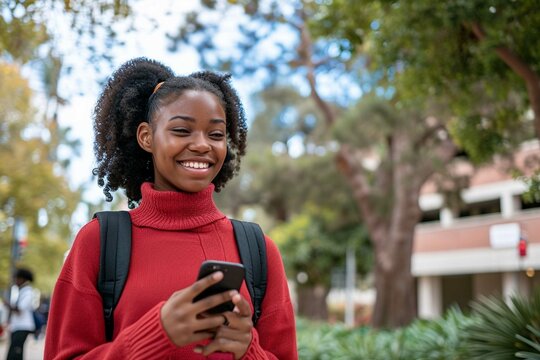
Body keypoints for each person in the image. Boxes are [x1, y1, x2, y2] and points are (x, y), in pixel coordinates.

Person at [44, 58, 297, 359]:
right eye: (181, 130)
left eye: (216, 134)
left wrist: (249, 350)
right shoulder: (99, 242)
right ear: (146, 137)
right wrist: (156, 334)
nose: (202, 145)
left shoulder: (258, 250)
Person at [4, 268, 36, 360]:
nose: (15, 281)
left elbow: (20, 309)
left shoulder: (28, 292)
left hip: (22, 327)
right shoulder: (22, 291)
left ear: (23, 279)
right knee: (15, 352)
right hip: (17, 326)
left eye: (17, 278)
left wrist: (8, 305)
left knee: (15, 352)